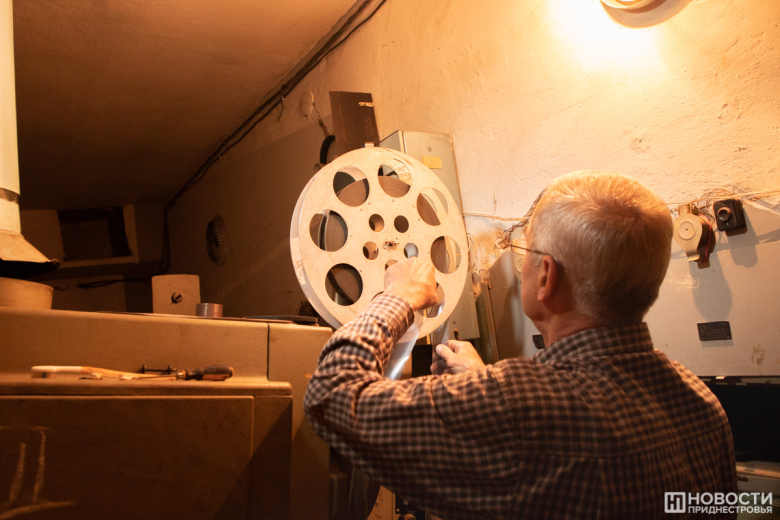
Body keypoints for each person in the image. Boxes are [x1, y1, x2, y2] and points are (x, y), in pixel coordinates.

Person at [304, 171, 737, 519]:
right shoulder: (700, 401)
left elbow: (331, 395)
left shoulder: (513, 401)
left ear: (546, 276)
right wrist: (482, 382)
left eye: (524, 249)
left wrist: (399, 296)